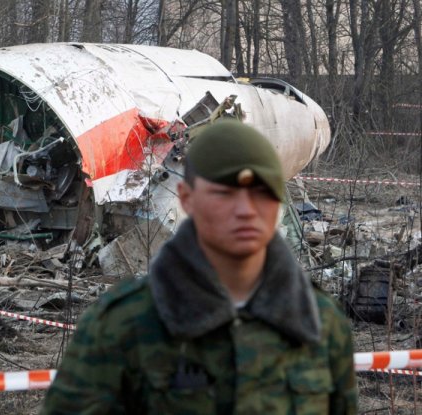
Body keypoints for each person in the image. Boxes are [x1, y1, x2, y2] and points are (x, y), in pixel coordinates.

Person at [40, 120, 357, 414]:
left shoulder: (320, 322)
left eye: (261, 193)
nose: (245, 210)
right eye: (225, 194)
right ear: (187, 198)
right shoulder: (124, 325)